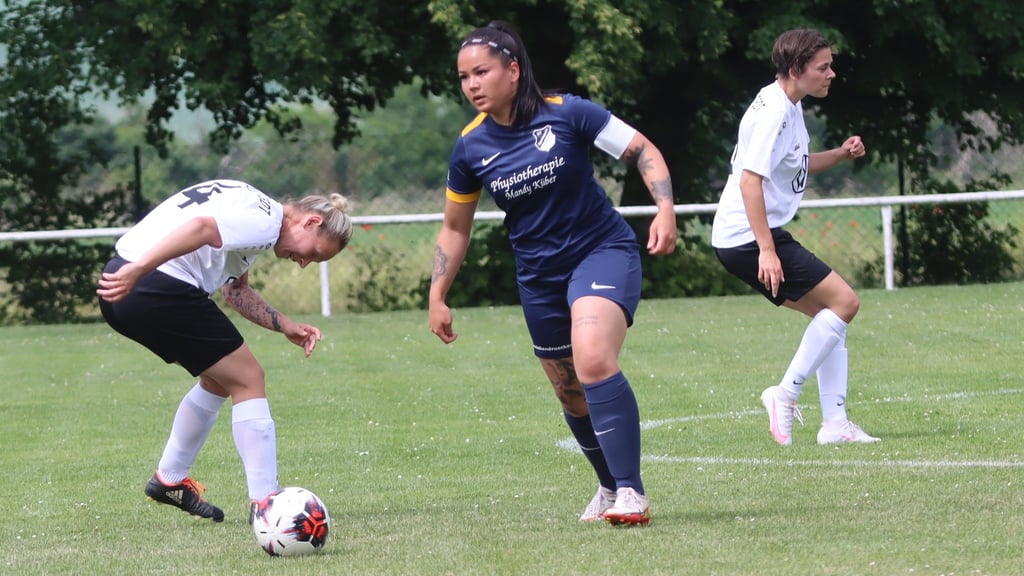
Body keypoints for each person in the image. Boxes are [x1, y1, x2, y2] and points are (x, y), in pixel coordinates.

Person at [428, 21, 677, 526]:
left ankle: (632, 492)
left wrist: (665, 209)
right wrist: (437, 295)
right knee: (569, 389)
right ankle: (609, 487)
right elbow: (455, 228)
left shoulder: (568, 113)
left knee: (593, 358)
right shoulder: (470, 147)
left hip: (601, 251)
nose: (472, 85)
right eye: (463, 77)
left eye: (481, 72)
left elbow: (642, 150)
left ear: (513, 71)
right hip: (539, 277)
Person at [97, 178, 353, 521]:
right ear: (311, 222)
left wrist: (285, 325)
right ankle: (267, 505)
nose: (304, 262)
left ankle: (169, 480)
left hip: (124, 281)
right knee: (249, 379)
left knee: (219, 380)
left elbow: (235, 292)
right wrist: (140, 269)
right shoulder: (265, 222)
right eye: (314, 254)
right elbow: (202, 227)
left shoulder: (254, 207)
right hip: (152, 283)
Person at [711, 29, 880, 446]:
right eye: (823, 67)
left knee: (832, 315)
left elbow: (795, 163)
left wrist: (839, 154)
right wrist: (767, 250)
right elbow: (749, 182)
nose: (831, 74)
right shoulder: (773, 113)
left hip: (747, 236)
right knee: (845, 302)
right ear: (794, 69)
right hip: (748, 237)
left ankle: (835, 424)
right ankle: (784, 395)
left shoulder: (789, 104)